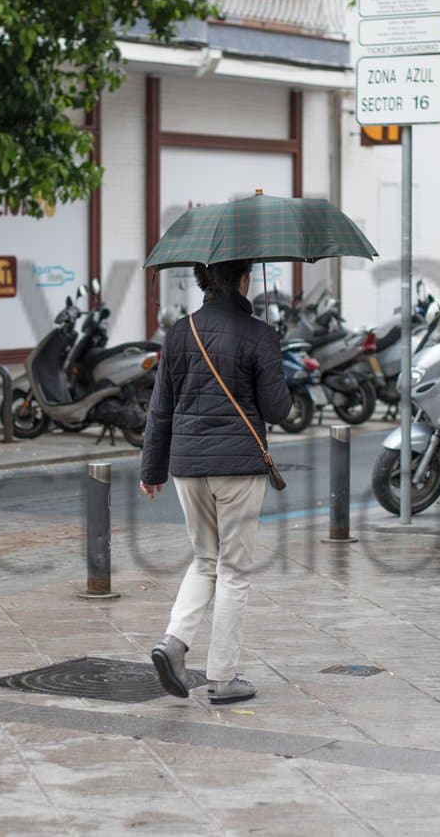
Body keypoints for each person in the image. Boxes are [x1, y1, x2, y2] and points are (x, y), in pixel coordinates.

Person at [140, 259, 291, 705]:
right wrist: (270, 353)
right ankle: (223, 677)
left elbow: (160, 407)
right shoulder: (260, 335)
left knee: (206, 559)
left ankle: (174, 643)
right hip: (239, 469)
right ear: (244, 280)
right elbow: (278, 409)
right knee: (234, 570)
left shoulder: (180, 331)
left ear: (205, 281)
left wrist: (151, 469)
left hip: (187, 467)